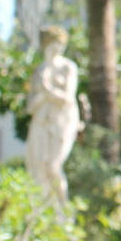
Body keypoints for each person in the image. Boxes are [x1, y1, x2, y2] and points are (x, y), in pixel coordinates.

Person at [25, 26, 79, 209]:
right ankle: (45, 210)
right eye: (54, 45)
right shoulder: (39, 70)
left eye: (60, 45)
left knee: (53, 166)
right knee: (39, 168)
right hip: (41, 120)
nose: (58, 49)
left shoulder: (68, 67)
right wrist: (43, 95)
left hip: (62, 121)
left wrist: (48, 90)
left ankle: (64, 210)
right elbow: (30, 106)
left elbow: (68, 98)